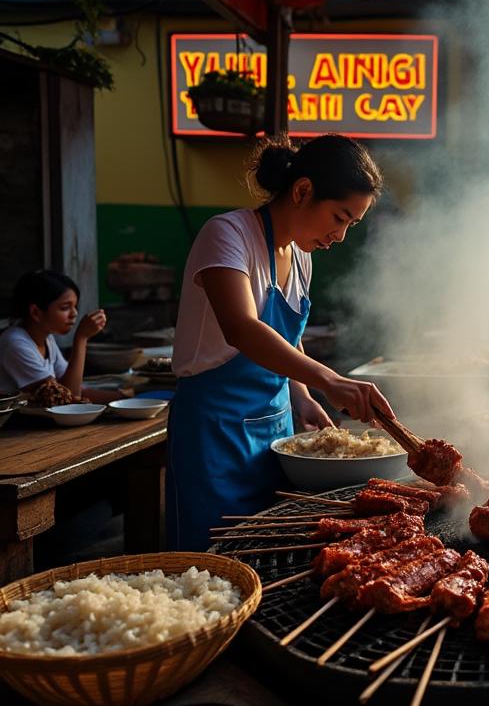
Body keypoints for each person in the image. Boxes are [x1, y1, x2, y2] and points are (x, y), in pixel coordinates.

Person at [165, 134, 395, 551]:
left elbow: (288, 337)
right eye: (339, 217)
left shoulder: (300, 255)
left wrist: (303, 394)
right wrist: (330, 380)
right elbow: (242, 327)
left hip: (277, 433)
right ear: (303, 191)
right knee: (212, 562)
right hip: (214, 435)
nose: (339, 236)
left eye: (351, 225)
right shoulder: (227, 234)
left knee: (268, 553)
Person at [0, 270, 120, 401]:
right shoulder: (16, 344)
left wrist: (126, 397)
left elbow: (74, 387)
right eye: (65, 308)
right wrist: (81, 338)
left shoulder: (47, 339)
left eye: (75, 307)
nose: (74, 314)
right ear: (36, 312)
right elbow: (69, 397)